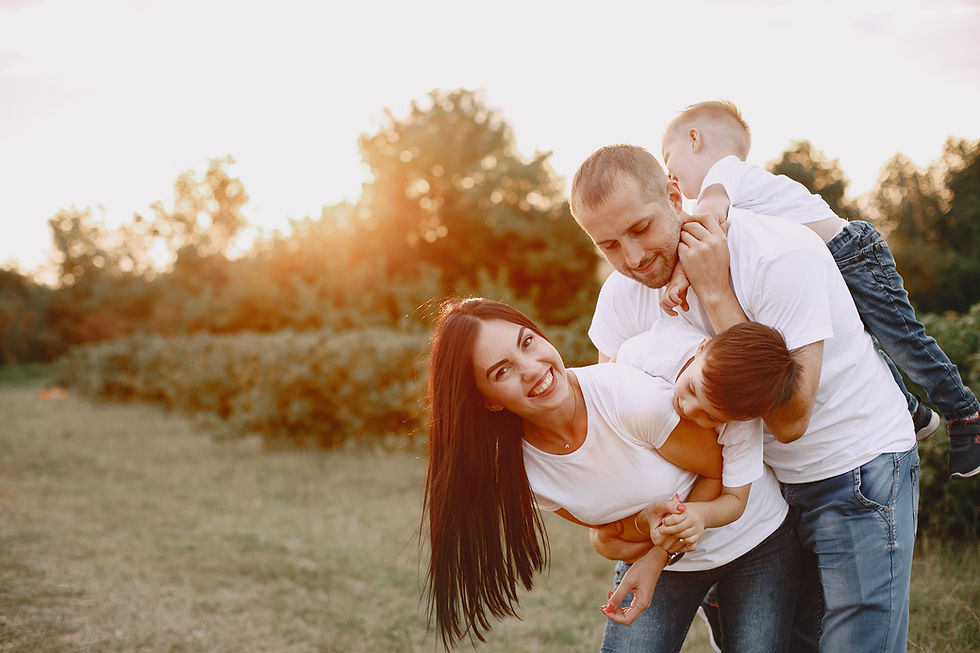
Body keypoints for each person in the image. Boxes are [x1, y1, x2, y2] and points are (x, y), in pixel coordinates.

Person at [570, 144, 919, 653]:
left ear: (673, 195)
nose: (634, 258)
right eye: (609, 245)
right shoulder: (623, 294)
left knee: (856, 644)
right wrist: (616, 524)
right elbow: (613, 421)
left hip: (852, 469)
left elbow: (790, 417)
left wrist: (715, 292)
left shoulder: (778, 255)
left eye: (641, 228)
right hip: (759, 492)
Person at [422, 297, 799, 652]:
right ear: (486, 398)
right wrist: (643, 523)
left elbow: (720, 474)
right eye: (502, 371)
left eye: (527, 342)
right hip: (673, 559)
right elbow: (608, 536)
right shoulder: (520, 472)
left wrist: (653, 559)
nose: (532, 368)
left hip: (754, 542)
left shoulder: (631, 398)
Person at [658, 99, 980, 479]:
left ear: (695, 139)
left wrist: (680, 275)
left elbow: (706, 222)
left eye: (669, 160)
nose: (671, 175)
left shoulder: (725, 173)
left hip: (850, 254)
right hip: (821, 265)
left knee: (901, 337)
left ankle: (965, 415)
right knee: (857, 340)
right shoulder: (738, 188)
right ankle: (912, 411)